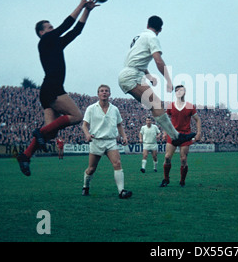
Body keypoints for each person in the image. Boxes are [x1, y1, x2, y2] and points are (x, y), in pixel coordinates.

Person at [16, 0, 98, 176]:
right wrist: (81, 5)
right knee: (76, 116)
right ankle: (39, 131)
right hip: (52, 87)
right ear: (41, 32)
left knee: (50, 134)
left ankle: (26, 155)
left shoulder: (55, 44)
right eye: (49, 26)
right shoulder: (45, 40)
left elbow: (76, 30)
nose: (53, 28)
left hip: (46, 91)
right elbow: (66, 24)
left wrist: (88, 11)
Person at [117, 16, 195, 147]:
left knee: (156, 105)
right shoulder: (153, 38)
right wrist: (169, 81)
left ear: (147, 24)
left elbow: (137, 60)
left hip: (132, 74)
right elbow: (158, 60)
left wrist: (149, 76)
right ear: (160, 29)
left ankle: (176, 136)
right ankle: (176, 136)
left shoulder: (139, 37)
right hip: (131, 76)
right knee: (157, 104)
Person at [81, 84, 132, 199]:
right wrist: (87, 134)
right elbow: (84, 125)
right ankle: (85, 186)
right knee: (91, 169)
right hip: (96, 141)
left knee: (117, 163)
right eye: (101, 91)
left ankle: (121, 191)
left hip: (110, 141)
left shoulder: (114, 109)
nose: (104, 92)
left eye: (106, 91)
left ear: (110, 94)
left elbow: (119, 125)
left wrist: (124, 136)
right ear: (98, 94)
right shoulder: (91, 108)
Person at [160, 85, 201, 187]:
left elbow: (197, 119)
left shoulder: (190, 106)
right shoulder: (171, 106)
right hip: (173, 134)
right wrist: (165, 132)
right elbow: (166, 119)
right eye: (177, 90)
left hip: (185, 135)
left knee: (183, 159)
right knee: (167, 157)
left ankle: (182, 181)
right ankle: (166, 179)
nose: (179, 92)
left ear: (185, 92)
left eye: (181, 90)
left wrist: (199, 132)